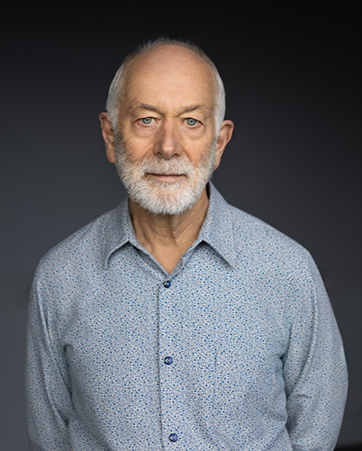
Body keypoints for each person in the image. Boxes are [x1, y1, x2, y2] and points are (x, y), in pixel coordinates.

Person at [25, 38, 348, 450]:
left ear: (219, 142)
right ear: (110, 135)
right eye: (146, 119)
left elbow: (316, 425)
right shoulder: (59, 277)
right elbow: (49, 436)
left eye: (192, 121)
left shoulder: (287, 269)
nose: (168, 146)